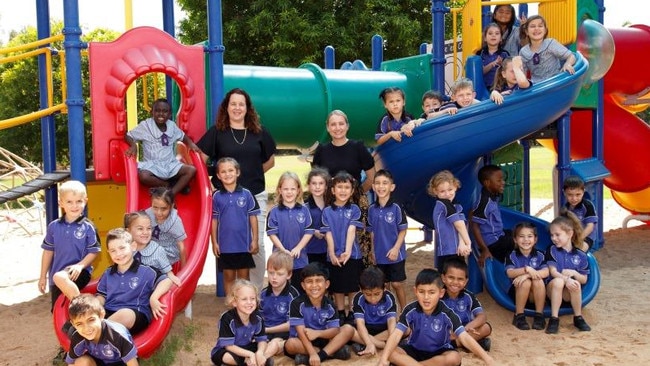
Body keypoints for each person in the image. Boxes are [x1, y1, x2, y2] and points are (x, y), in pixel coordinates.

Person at [198, 88, 277, 291]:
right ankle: (234, 296)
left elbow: (270, 161)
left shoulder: (259, 131)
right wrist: (212, 184)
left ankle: (255, 292)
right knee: (230, 242)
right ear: (226, 107)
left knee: (255, 243)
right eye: (233, 104)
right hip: (225, 199)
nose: (237, 108)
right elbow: (200, 159)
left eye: (241, 104)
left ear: (247, 108)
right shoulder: (217, 132)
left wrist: (252, 175)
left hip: (254, 194)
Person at [378, 268, 495, 366]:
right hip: (414, 349)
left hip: (439, 351)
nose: (426, 297)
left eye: (431, 292)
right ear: (415, 291)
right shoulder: (410, 310)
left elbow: (464, 337)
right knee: (391, 352)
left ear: (441, 293)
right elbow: (397, 334)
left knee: (454, 357)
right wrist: (383, 358)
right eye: (421, 292)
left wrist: (488, 359)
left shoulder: (447, 313)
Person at [312, 109, 376, 267]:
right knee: (334, 241)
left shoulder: (358, 147)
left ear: (347, 126)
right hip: (331, 206)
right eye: (333, 124)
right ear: (327, 127)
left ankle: (362, 282)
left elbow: (371, 177)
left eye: (341, 124)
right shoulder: (321, 151)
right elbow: (316, 180)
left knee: (361, 244)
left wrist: (358, 194)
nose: (337, 128)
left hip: (355, 203)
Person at [39, 180, 100, 310]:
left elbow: (93, 251)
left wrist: (80, 266)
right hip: (58, 275)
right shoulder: (54, 226)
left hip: (79, 272)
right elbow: (48, 251)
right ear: (61, 203)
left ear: (85, 201)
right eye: (69, 202)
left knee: (60, 278)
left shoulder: (88, 227)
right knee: (58, 311)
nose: (74, 206)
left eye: (79, 201)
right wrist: (43, 276)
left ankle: (82, 308)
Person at [97, 228, 171, 335]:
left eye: (122, 248)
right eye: (113, 251)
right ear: (108, 252)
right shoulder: (108, 273)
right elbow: (102, 295)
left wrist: (153, 298)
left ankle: (96, 333)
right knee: (87, 305)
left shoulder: (146, 271)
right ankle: (99, 331)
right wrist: (96, 306)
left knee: (125, 314)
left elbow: (167, 281)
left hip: (134, 315)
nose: (118, 254)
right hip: (109, 312)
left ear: (133, 247)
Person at [124, 98, 199, 195]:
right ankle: (168, 185)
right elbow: (128, 136)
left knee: (191, 170)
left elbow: (183, 136)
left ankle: (171, 194)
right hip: (153, 166)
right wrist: (133, 146)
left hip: (170, 164)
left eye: (165, 111)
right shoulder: (146, 126)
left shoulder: (172, 126)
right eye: (157, 111)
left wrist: (191, 144)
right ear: (152, 112)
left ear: (169, 114)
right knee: (143, 176)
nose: (161, 114)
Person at [284, 262, 355, 365]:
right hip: (303, 341)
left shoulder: (330, 305)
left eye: (318, 281)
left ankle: (318, 356)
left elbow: (334, 330)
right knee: (290, 344)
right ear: (303, 286)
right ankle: (330, 353)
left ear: (327, 284)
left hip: (324, 339)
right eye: (309, 281)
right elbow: (301, 332)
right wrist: (312, 353)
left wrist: (317, 333)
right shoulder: (296, 303)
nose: (314, 285)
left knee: (348, 329)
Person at [211, 157, 260, 297]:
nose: (227, 174)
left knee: (244, 278)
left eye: (231, 170)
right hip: (226, 246)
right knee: (229, 277)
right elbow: (214, 220)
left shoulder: (247, 194)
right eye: (223, 171)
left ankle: (246, 302)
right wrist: (214, 242)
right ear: (219, 176)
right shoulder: (216, 197)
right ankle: (231, 306)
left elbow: (253, 217)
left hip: (243, 245)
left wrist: (255, 240)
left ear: (237, 172)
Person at [321, 171, 365, 324]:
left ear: (352, 191)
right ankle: (340, 312)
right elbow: (328, 234)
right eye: (339, 187)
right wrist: (332, 254)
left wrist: (347, 251)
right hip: (334, 255)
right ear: (333, 190)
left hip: (352, 255)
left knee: (352, 284)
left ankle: (351, 311)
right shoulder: (326, 211)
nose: (343, 190)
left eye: (347, 187)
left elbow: (351, 230)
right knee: (338, 285)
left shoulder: (354, 210)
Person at [210, 279, 279, 366]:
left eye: (252, 298)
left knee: (269, 346)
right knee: (227, 357)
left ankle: (255, 360)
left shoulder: (257, 317)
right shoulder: (227, 318)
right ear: (234, 302)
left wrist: (260, 353)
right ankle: (249, 362)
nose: (249, 302)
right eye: (244, 299)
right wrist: (250, 354)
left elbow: (261, 339)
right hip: (229, 349)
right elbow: (228, 346)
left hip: (247, 346)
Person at [366, 169, 408, 309]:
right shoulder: (371, 209)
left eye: (385, 183)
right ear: (373, 187)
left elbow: (403, 230)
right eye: (377, 183)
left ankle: (404, 311)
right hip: (379, 254)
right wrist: (372, 251)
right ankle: (389, 311)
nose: (381, 186)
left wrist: (396, 248)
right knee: (384, 285)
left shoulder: (396, 207)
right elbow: (371, 232)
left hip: (396, 253)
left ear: (392, 187)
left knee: (397, 283)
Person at [545, 211, 591, 334]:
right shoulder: (552, 250)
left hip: (568, 293)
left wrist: (574, 274)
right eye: (551, 235)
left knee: (576, 283)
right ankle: (554, 318)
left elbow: (584, 279)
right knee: (559, 281)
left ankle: (578, 317)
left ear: (570, 233)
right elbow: (553, 272)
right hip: (552, 291)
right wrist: (566, 279)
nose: (554, 238)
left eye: (557, 235)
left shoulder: (580, 255)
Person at [266, 172, 314, 291]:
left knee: (300, 290)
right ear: (279, 190)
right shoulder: (274, 211)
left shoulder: (304, 210)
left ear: (298, 190)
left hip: (300, 260)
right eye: (285, 189)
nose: (289, 192)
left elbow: (309, 232)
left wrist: (298, 248)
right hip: (280, 259)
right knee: (280, 290)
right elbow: (271, 233)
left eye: (293, 189)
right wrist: (282, 250)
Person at [65, 294, 138, 366]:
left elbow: (132, 364)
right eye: (79, 324)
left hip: (120, 362)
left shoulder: (117, 335)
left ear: (101, 315)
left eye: (91, 320)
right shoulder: (78, 337)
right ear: (73, 324)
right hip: (99, 360)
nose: (86, 328)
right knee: (81, 362)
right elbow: (71, 362)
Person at [440, 258, 492, 351]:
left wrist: (467, 328)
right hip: (445, 333)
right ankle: (471, 344)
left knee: (486, 327)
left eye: (460, 279)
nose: (455, 282)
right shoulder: (437, 296)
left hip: (465, 330)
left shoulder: (469, 296)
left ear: (465, 281)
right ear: (443, 278)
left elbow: (482, 316)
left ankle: (457, 344)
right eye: (451, 277)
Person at [505, 222, 549, 331]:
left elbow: (546, 272)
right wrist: (526, 269)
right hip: (518, 293)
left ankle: (539, 316)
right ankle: (519, 316)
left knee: (537, 280)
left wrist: (526, 275)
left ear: (535, 239)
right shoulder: (511, 255)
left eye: (529, 236)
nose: (526, 240)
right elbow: (510, 273)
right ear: (515, 239)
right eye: (521, 236)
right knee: (526, 282)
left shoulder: (540, 254)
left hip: (536, 296)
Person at [427, 170, 472, 269]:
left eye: (450, 189)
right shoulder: (444, 204)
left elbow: (462, 224)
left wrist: (462, 243)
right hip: (448, 251)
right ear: (435, 191)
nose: (447, 194)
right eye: (442, 191)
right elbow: (459, 224)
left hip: (456, 249)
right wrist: (468, 242)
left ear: (455, 187)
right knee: (447, 278)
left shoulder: (455, 204)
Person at [470, 164, 513, 266]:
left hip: (497, 236)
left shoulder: (491, 195)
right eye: (499, 181)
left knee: (515, 233)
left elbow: (473, 212)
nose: (503, 182)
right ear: (487, 183)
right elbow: (474, 225)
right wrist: (484, 249)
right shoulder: (485, 202)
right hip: (492, 243)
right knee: (520, 241)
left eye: (503, 179)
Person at [349, 267, 398, 357]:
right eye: (368, 294)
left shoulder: (389, 297)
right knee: (348, 329)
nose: (373, 298)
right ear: (361, 289)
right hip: (366, 328)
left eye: (377, 294)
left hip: (384, 328)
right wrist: (370, 344)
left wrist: (391, 341)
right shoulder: (358, 298)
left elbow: (391, 321)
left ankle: (361, 342)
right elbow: (360, 324)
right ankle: (381, 344)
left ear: (384, 288)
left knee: (405, 328)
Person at [124, 211, 181, 287]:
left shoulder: (157, 250)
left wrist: (173, 279)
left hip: (151, 289)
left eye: (149, 228)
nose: (145, 232)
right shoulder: (126, 250)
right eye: (140, 229)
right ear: (128, 231)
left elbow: (168, 273)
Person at [519, 15, 576, 83]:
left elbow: (571, 56)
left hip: (555, 83)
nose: (536, 29)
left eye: (540, 26)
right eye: (532, 26)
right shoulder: (524, 52)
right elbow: (522, 74)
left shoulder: (550, 43)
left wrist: (568, 64)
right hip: (537, 87)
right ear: (526, 32)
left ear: (545, 30)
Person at [259, 251, 300, 347]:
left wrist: (266, 330)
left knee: (273, 344)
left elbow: (291, 324)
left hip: (284, 333)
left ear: (289, 275)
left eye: (280, 274)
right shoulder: (263, 293)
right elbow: (259, 317)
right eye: (271, 273)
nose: (274, 277)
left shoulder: (293, 295)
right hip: (265, 331)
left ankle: (262, 360)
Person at [146, 187, 187, 267]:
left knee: (153, 261)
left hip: (168, 250)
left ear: (171, 206)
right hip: (153, 245)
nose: (159, 213)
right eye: (155, 208)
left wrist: (184, 269)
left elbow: (181, 246)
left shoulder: (174, 222)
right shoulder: (148, 213)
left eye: (164, 209)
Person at [562, 176, 597, 252]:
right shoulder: (565, 207)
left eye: (578, 195)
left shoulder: (587, 205)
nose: (574, 198)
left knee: (579, 250)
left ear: (583, 192)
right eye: (570, 195)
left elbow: (590, 227)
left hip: (586, 236)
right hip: (571, 236)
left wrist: (578, 239)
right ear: (564, 193)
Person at [304, 167, 330, 266]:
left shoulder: (332, 206)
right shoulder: (304, 207)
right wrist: (313, 231)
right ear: (309, 186)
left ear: (326, 186)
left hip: (329, 251)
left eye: (321, 183)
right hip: (310, 251)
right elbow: (298, 227)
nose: (317, 187)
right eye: (314, 183)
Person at [476, 23, 510, 89]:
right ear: (485, 38)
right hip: (484, 89)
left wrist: (501, 65)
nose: (493, 35)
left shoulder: (505, 54)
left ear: (500, 38)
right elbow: (479, 72)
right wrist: (492, 64)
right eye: (490, 33)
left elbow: (508, 72)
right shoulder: (480, 53)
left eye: (497, 33)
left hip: (501, 88)